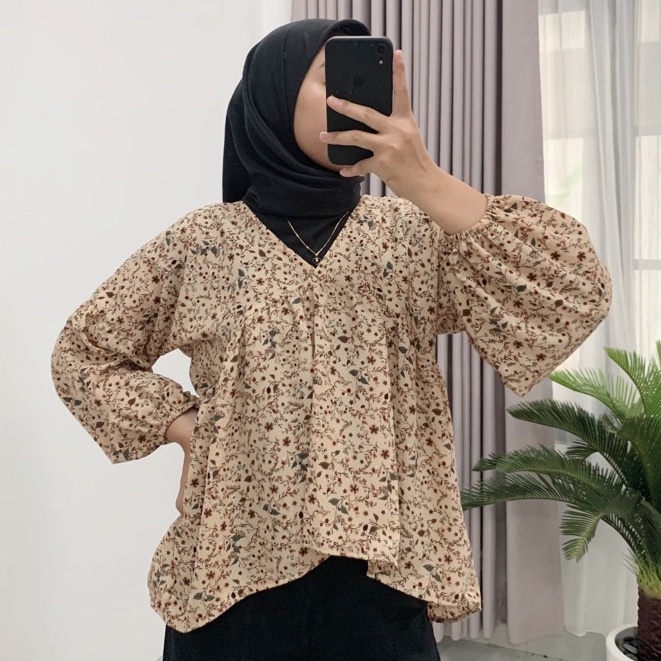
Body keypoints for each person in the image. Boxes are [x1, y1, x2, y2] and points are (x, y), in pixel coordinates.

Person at [50, 17, 612, 661]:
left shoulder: (413, 232)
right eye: (330, 78)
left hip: (385, 577)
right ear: (274, 95)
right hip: (232, 574)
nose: (356, 99)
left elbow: (573, 292)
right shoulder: (204, 243)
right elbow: (85, 353)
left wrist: (424, 178)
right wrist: (186, 427)